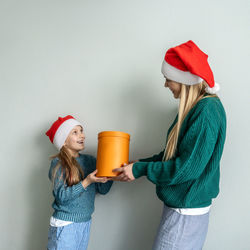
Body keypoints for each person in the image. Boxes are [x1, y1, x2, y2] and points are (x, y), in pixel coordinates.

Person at [112, 40, 227, 249]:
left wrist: (140, 169)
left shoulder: (206, 112)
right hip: (183, 209)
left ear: (184, 80)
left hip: (185, 213)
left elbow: (185, 167)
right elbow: (174, 155)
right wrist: (139, 164)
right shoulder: (195, 108)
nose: (166, 84)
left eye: (168, 79)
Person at [45, 115, 113, 250]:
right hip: (65, 225)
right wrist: (87, 181)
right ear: (63, 141)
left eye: (81, 131)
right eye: (75, 132)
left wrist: (110, 174)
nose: (82, 135)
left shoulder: (90, 161)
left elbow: (103, 190)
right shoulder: (58, 164)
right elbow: (62, 197)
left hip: (85, 223)